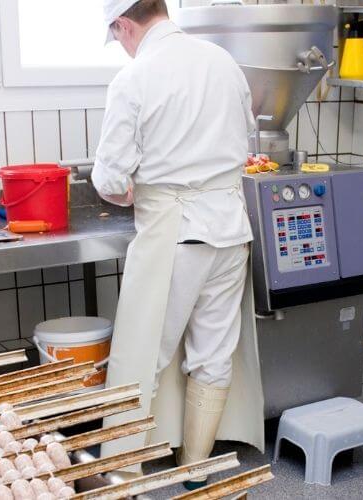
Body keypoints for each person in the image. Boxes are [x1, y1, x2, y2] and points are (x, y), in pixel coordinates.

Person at [92, 0, 264, 489]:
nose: (122, 48)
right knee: (213, 352)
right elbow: (244, 136)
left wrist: (125, 187)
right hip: (230, 228)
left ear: (124, 24)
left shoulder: (135, 78)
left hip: (175, 233)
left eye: (118, 36)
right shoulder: (223, 62)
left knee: (143, 353)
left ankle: (122, 476)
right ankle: (194, 467)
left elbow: (108, 178)